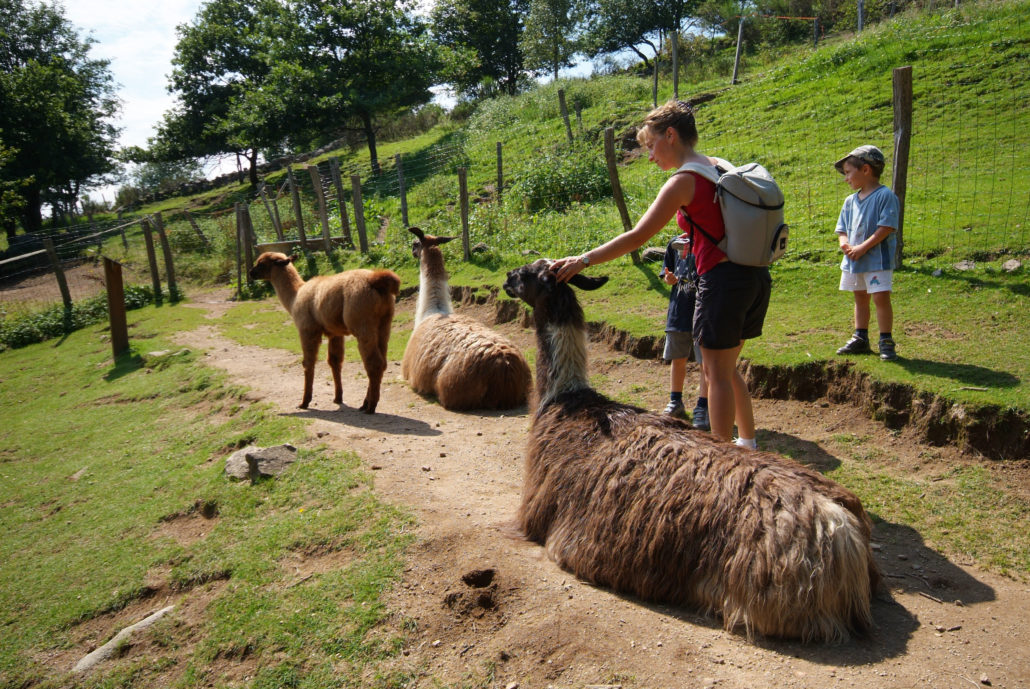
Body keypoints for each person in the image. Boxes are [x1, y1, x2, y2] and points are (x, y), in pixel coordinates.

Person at [551, 100, 770, 447]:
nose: (650, 156)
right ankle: (747, 444)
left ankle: (724, 460)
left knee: (715, 375)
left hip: (722, 283)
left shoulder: (683, 181)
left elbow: (637, 236)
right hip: (754, 276)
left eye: (651, 145)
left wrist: (584, 259)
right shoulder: (717, 166)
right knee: (726, 370)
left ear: (671, 135)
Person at [833, 145, 900, 361]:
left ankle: (886, 340)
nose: (846, 179)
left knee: (880, 297)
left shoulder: (885, 196)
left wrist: (862, 248)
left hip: (876, 260)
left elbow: (886, 227)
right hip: (854, 261)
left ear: (865, 170)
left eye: (848, 173)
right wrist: (845, 244)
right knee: (859, 297)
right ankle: (860, 337)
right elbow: (841, 229)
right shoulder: (850, 201)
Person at [659, 232, 710, 430]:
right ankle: (675, 401)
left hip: (703, 311)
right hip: (678, 312)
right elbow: (667, 275)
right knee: (677, 358)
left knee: (704, 362)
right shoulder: (675, 243)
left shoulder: (708, 239)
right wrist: (670, 279)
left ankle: (703, 406)